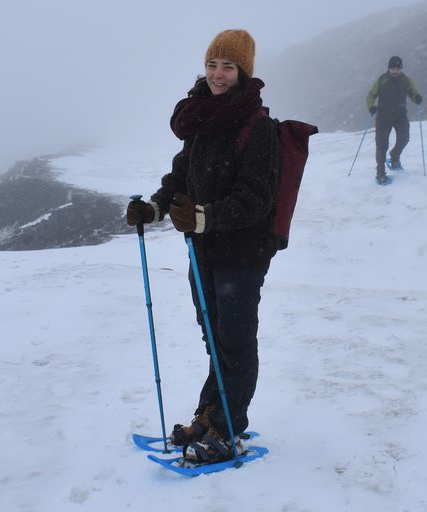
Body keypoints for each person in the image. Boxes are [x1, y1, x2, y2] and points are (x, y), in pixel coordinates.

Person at [126, 29, 280, 464]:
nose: (217, 74)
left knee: (234, 341)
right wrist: (154, 209)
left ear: (243, 72)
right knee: (215, 339)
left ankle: (228, 430)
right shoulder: (202, 121)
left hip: (242, 254)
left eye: (227, 67)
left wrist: (203, 217)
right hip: (204, 251)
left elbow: (256, 198)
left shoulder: (258, 127)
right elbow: (181, 179)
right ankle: (211, 416)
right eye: (212, 64)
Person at [365, 56, 422, 184]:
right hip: (383, 117)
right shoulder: (382, 80)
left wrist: (417, 98)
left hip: (400, 115)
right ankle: (380, 173)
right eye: (393, 69)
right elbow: (371, 95)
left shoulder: (406, 80)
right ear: (389, 69)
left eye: (397, 69)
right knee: (381, 145)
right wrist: (371, 106)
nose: (395, 71)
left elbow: (413, 93)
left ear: (401, 69)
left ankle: (395, 156)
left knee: (404, 138)